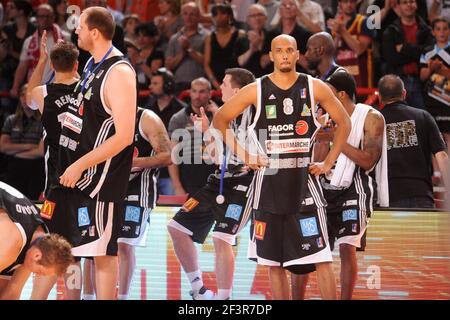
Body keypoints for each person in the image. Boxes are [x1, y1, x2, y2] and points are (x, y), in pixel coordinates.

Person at [213, 34, 351, 300]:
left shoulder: (314, 87)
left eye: (290, 50)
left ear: (297, 54)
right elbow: (220, 119)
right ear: (272, 55)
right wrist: (244, 154)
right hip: (268, 186)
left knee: (321, 257)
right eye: (279, 51)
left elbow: (344, 123)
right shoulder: (256, 89)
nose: (285, 55)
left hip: (304, 184)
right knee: (272, 263)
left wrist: (328, 162)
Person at [56, 6, 136, 300]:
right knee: (75, 250)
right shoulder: (91, 66)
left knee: (103, 253)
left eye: (79, 25)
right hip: (79, 175)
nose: (74, 30)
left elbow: (125, 136)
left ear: (94, 32)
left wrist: (80, 164)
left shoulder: (119, 71)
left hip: (101, 180)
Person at [291, 71, 388, 300]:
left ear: (341, 94)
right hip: (323, 187)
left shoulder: (371, 117)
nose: (322, 96)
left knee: (347, 246)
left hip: (355, 186)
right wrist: (321, 136)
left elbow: (368, 161)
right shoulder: (321, 116)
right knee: (307, 249)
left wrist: (336, 138)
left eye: (328, 92)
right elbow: (316, 161)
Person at [168, 68, 256, 300]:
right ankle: (199, 289)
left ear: (237, 90)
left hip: (244, 183)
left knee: (221, 237)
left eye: (224, 84)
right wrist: (206, 132)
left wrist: (216, 131)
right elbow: (214, 157)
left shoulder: (255, 116)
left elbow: (253, 156)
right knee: (176, 228)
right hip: (218, 181)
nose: (221, 88)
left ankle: (223, 298)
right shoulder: (221, 116)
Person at [24, 34, 81, 300]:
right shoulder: (88, 92)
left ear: (53, 66)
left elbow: (27, 97)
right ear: (76, 64)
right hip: (86, 182)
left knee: (50, 249)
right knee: (75, 253)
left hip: (57, 184)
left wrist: (41, 61)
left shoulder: (43, 93)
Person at [117, 107, 172, 300]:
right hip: (107, 189)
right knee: (98, 248)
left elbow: (167, 156)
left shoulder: (146, 118)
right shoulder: (100, 115)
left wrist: (130, 162)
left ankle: (122, 297)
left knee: (124, 245)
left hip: (137, 191)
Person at [379, 74, 449, 208]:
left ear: (380, 97)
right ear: (404, 93)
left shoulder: (374, 120)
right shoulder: (423, 116)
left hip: (387, 198)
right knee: (422, 230)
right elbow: (442, 156)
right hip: (421, 195)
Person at [0, 181, 73, 300]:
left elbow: (13, 291)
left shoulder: (38, 242)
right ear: (37, 255)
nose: (37, 275)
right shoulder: (10, 243)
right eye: (40, 272)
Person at [168, 77, 218, 196]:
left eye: (201, 91)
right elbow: (173, 155)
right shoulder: (178, 119)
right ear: (189, 92)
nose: (197, 95)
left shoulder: (219, 115)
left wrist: (217, 115)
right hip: (189, 177)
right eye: (194, 91)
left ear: (209, 93)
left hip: (215, 173)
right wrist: (177, 186)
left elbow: (226, 145)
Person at [0, 84, 45, 201]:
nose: (25, 98)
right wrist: (29, 146)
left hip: (36, 168)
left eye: (28, 95)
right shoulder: (11, 120)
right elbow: (3, 147)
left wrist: (15, 151)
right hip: (14, 168)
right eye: (22, 95)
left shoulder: (43, 120)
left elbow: (40, 152)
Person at [146, 68, 186, 195]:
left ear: (168, 85)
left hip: (174, 173)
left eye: (155, 83)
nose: (150, 86)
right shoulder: (147, 111)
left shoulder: (182, 111)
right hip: (149, 171)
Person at [420, 17, 450, 148]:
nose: (442, 32)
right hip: (432, 99)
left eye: (445, 29)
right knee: (436, 135)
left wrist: (443, 71)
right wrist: (431, 69)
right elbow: (422, 76)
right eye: (438, 29)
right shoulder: (427, 52)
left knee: (449, 135)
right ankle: (437, 169)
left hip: (448, 100)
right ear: (433, 32)